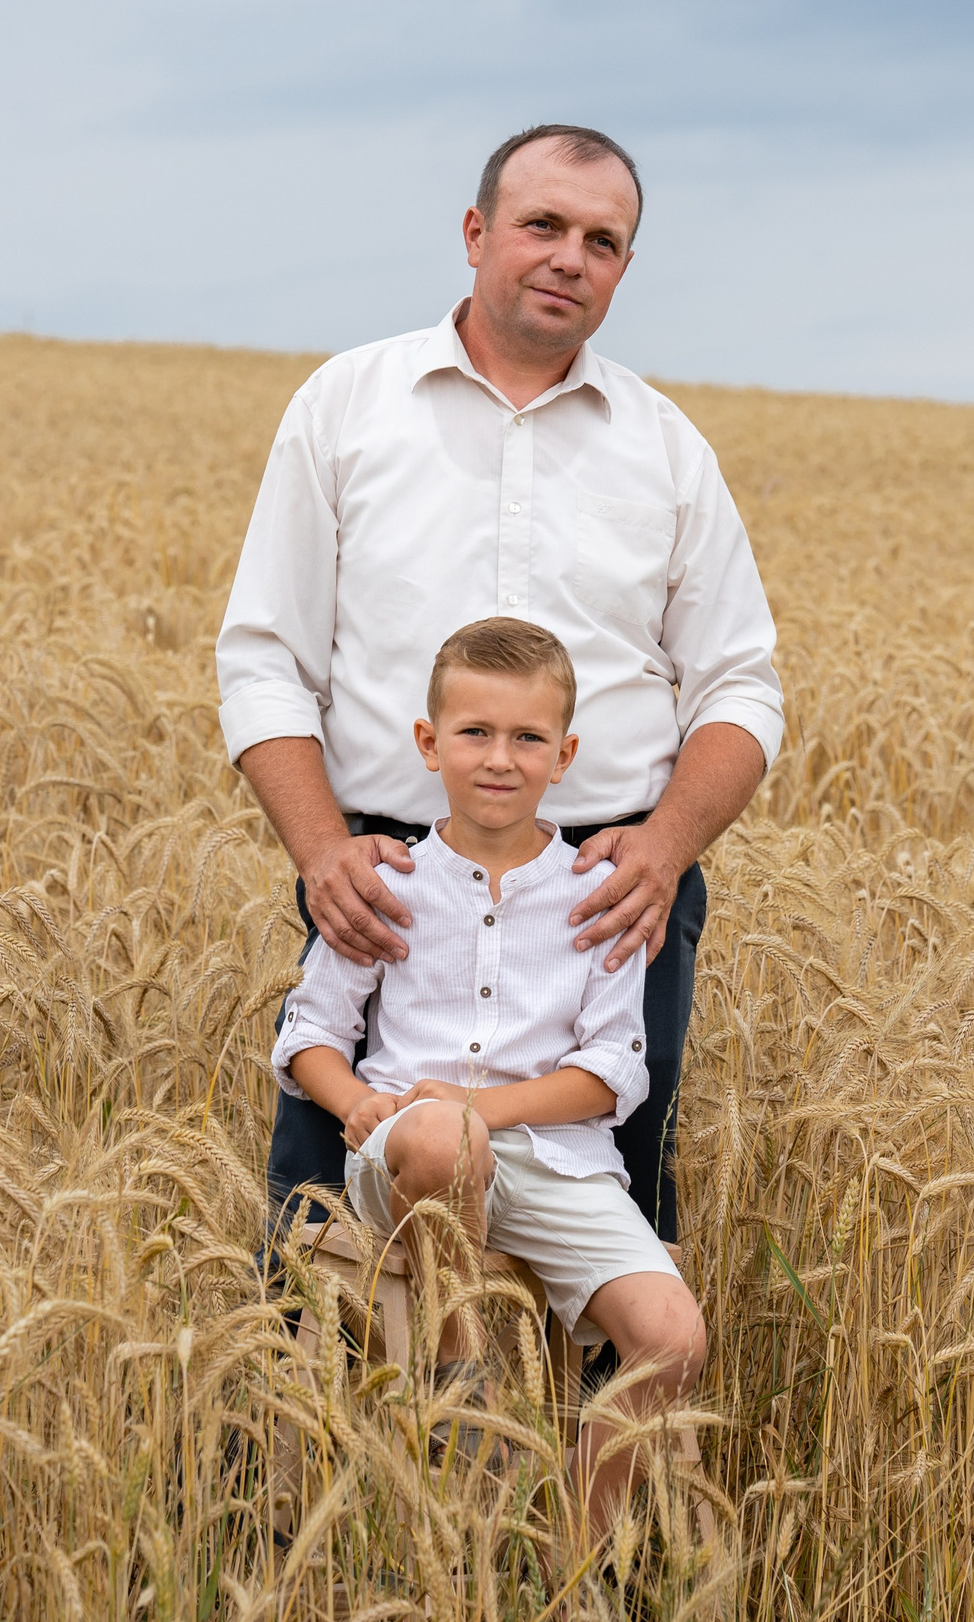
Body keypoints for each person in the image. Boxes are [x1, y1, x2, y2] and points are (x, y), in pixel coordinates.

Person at [216, 123, 785, 1245]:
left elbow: (740, 685)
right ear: (476, 234)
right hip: (388, 886)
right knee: (327, 1250)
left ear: (625, 268)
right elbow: (263, 657)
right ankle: (321, 1425)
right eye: (542, 225)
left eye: (603, 241)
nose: (570, 257)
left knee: (604, 1265)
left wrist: (664, 848)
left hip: (605, 903)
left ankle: (568, 1428)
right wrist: (322, 851)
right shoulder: (347, 406)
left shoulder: (666, 448)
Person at [271, 618, 705, 1528]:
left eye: (527, 738)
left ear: (566, 753)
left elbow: (612, 1072)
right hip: (413, 1159)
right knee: (444, 1134)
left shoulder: (599, 889)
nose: (499, 758)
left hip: (561, 1164)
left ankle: (570, 1560)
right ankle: (461, 1388)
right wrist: (357, 1103)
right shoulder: (386, 879)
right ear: (429, 744)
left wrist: (482, 1105)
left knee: (673, 1338)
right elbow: (310, 1030)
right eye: (474, 733)